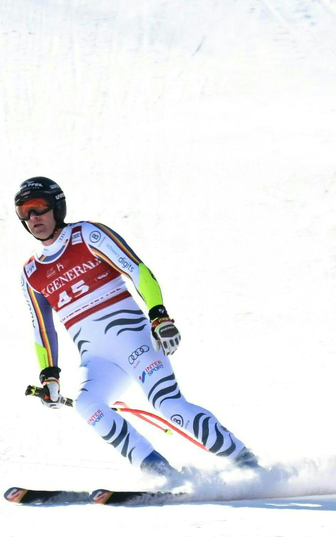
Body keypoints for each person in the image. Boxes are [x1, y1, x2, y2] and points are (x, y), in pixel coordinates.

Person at [16, 176, 260, 481]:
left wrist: (159, 316)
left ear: (57, 207)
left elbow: (136, 269)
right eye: (24, 212)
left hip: (134, 341)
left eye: (38, 208)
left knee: (169, 406)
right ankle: (162, 474)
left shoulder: (87, 235)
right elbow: (41, 328)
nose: (33, 218)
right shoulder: (31, 273)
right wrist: (49, 374)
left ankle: (247, 462)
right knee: (87, 405)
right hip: (99, 361)